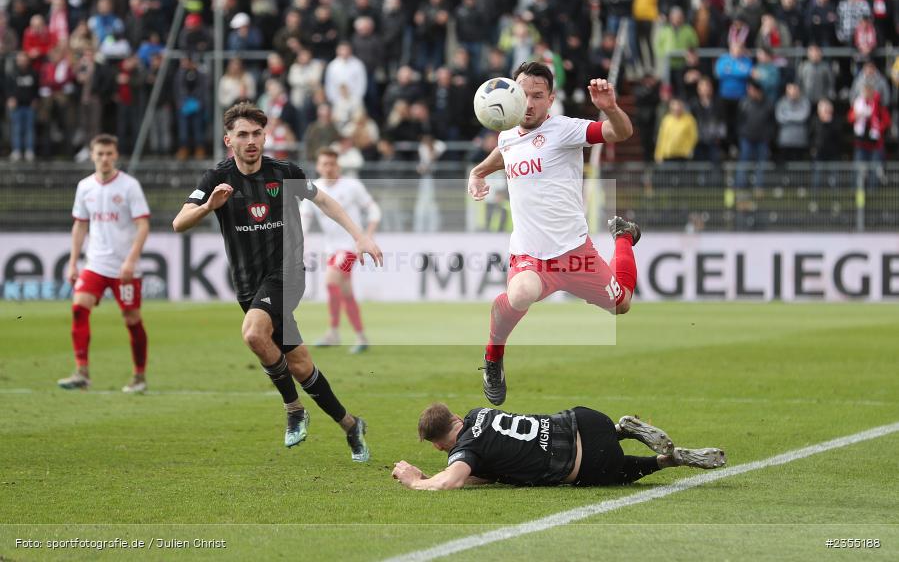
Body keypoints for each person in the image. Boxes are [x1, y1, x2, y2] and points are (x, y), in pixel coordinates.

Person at [172, 103, 382, 459]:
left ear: (265, 136)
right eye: (243, 134)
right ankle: (351, 424)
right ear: (229, 140)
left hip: (287, 274)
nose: (251, 141)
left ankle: (294, 410)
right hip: (248, 285)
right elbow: (179, 222)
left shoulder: (284, 172)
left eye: (257, 134)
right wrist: (209, 206)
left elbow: (325, 201)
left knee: (254, 333)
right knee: (299, 365)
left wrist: (359, 236)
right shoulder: (216, 180)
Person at [467, 62, 637, 405]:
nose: (528, 103)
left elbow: (620, 133)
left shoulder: (566, 130)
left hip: (576, 254)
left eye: (537, 96)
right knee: (521, 294)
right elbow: (504, 152)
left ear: (551, 100)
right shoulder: (506, 133)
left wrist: (611, 109)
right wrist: (478, 172)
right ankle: (493, 358)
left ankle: (623, 236)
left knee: (622, 306)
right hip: (530, 254)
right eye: (523, 94)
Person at [392, 403, 726, 489]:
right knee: (597, 438)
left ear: (439, 446)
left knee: (617, 472)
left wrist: (417, 481)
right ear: (454, 415)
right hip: (585, 419)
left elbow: (455, 479)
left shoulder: (465, 451)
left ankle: (669, 462)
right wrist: (444, 472)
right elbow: (485, 471)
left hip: (587, 462)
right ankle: (622, 428)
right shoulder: (479, 414)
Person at [58, 134, 150, 393]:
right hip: (95, 264)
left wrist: (131, 261)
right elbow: (80, 225)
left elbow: (143, 225)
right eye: (100, 154)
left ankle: (139, 376)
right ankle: (81, 372)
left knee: (132, 319)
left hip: (125, 268)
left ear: (116, 155)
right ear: (92, 156)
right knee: (78, 308)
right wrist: (73, 262)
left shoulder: (129, 186)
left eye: (109, 153)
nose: (105, 158)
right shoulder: (85, 187)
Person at [302, 148, 381, 353]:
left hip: (350, 248)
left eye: (332, 164)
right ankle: (361, 337)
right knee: (346, 293)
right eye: (325, 164)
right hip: (331, 249)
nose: (329, 168)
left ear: (338, 165)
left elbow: (374, 211)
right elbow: (304, 219)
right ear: (318, 166)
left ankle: (333, 332)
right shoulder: (313, 188)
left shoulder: (352, 186)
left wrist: (366, 237)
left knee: (330, 281)